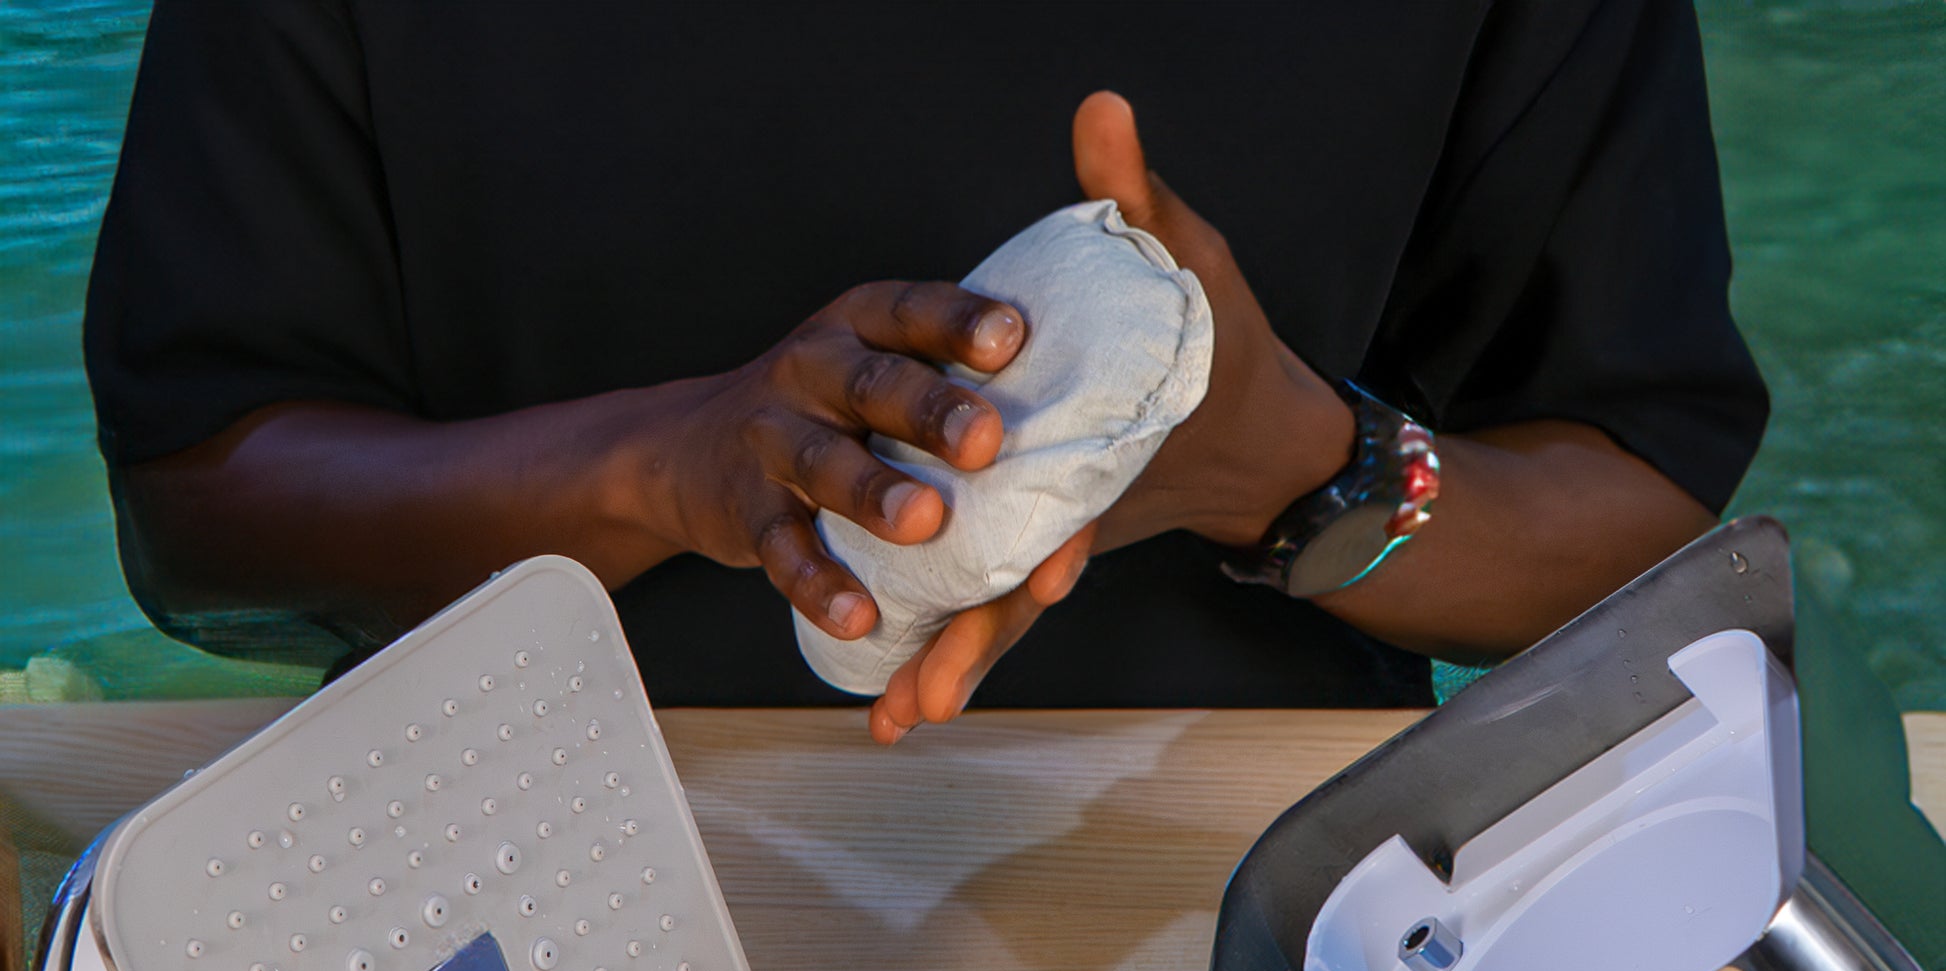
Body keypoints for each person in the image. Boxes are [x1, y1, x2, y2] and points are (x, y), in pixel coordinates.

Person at [84, 1, 1766, 743]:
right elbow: (203, 513)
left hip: (1241, 937)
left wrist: (1287, 469)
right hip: (519, 932)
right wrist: (663, 469)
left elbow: (1633, 520)